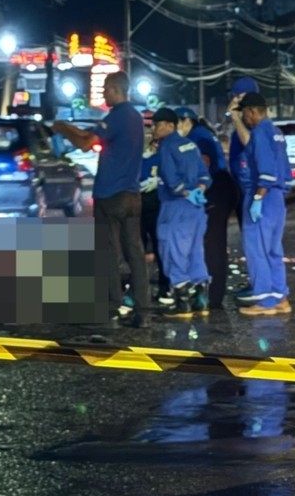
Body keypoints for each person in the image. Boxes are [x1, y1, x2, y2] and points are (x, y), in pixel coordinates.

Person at [51, 71, 152, 328]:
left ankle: (111, 310)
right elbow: (90, 134)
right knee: (135, 253)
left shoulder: (118, 116)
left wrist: (62, 129)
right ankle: (143, 311)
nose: (103, 94)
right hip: (132, 194)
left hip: (110, 195)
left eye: (106, 89)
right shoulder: (135, 117)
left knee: (108, 254)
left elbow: (86, 143)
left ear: (116, 89)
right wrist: (69, 127)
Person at [234, 91, 293, 316]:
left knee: (257, 250)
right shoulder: (275, 132)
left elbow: (265, 171)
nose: (245, 119)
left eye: (244, 114)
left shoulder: (259, 133)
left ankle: (265, 301)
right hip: (277, 199)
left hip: (262, 195)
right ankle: (280, 297)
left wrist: (257, 198)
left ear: (251, 112)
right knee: (273, 250)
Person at [151, 107, 211, 318]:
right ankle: (200, 299)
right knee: (195, 252)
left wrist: (185, 192)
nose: (154, 129)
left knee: (172, 251)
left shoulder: (167, 146)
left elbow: (170, 179)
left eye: (157, 125)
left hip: (175, 206)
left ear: (170, 125)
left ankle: (182, 302)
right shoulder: (190, 145)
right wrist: (198, 190)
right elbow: (205, 175)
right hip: (196, 207)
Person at [174, 106, 236, 310]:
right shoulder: (202, 134)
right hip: (221, 188)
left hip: (215, 190)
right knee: (213, 243)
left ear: (187, 121)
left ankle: (213, 296)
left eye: (176, 123)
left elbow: (202, 166)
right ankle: (212, 293)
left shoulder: (197, 138)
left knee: (212, 244)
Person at [227, 76, 259, 300]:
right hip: (243, 187)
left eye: (239, 97)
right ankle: (257, 281)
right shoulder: (242, 123)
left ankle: (261, 286)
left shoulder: (253, 125)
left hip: (252, 188)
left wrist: (236, 118)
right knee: (250, 240)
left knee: (256, 241)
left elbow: (250, 145)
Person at [139, 132, 171, 307]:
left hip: (156, 204)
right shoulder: (135, 159)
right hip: (138, 204)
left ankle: (164, 286)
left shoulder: (160, 157)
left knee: (160, 247)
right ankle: (139, 289)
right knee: (138, 248)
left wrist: (156, 181)